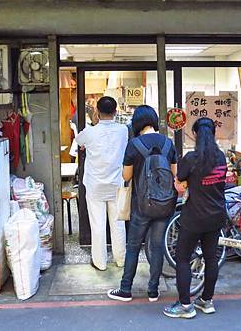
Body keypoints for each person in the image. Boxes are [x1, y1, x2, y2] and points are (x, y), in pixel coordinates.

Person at [107, 105, 177, 303]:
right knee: (157, 247)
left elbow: (126, 176)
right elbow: (174, 173)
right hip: (164, 204)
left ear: (137, 123)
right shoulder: (168, 143)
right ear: (154, 120)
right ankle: (153, 291)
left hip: (141, 205)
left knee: (133, 247)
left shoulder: (134, 144)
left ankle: (125, 290)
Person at [163, 117, 228, 319]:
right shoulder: (221, 158)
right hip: (216, 216)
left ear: (196, 135)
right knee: (211, 259)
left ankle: (185, 305)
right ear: (213, 134)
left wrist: (184, 183)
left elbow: (180, 181)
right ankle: (206, 301)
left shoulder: (191, 158)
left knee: (182, 258)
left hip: (194, 217)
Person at [75, 97, 128, 271]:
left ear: (97, 112)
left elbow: (79, 142)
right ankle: (121, 259)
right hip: (117, 184)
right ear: (115, 111)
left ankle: (100, 262)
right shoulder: (123, 130)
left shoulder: (89, 132)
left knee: (97, 225)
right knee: (118, 223)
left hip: (95, 185)